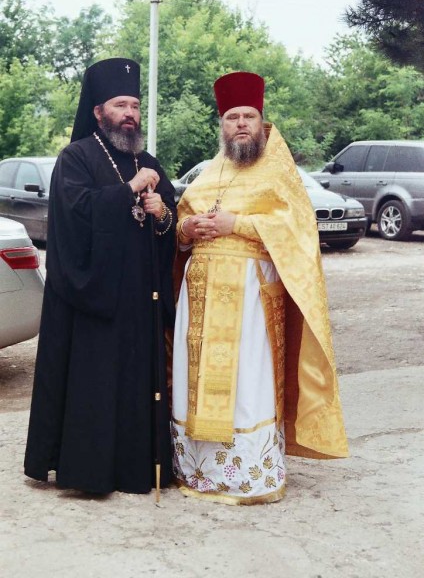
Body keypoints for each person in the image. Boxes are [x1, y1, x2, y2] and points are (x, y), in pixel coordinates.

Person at [171, 71, 349, 505]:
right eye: (232, 117)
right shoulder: (210, 171)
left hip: (250, 298)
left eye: (248, 116)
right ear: (222, 124)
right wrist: (186, 229)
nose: (241, 124)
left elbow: (297, 229)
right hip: (200, 299)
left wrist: (237, 223)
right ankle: (198, 471)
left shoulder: (278, 172)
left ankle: (247, 477)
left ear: (261, 120)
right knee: (195, 378)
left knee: (247, 380)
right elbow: (182, 220)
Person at [24, 58, 176, 495]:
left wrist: (162, 213)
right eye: (119, 105)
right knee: (96, 385)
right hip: (94, 301)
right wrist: (129, 190)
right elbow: (74, 217)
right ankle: (89, 472)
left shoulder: (148, 161)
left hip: (140, 299)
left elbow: (169, 225)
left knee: (135, 385)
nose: (130, 113)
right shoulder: (75, 158)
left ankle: (136, 468)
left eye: (135, 105)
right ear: (98, 111)